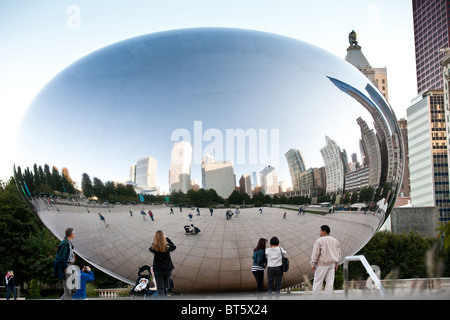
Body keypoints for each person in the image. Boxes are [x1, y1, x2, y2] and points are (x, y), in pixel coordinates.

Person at [310, 225, 341, 297]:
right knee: (330, 282)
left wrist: (313, 263)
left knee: (318, 282)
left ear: (324, 232)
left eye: (320, 231)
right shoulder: (335, 241)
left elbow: (315, 253)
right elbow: (338, 253)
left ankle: (315, 297)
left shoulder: (319, 240)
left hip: (322, 264)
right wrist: (337, 264)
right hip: (332, 264)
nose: (319, 233)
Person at [149, 230, 176, 299]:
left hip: (158, 270)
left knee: (160, 288)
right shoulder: (167, 247)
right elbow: (174, 246)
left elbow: (150, 248)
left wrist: (156, 241)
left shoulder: (154, 247)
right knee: (165, 287)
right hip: (167, 269)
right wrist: (167, 238)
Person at [53, 228, 76, 300]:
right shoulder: (64, 244)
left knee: (74, 288)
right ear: (72, 234)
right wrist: (65, 267)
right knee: (68, 289)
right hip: (67, 266)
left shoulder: (68, 243)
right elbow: (61, 258)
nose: (74, 234)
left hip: (70, 266)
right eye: (74, 233)